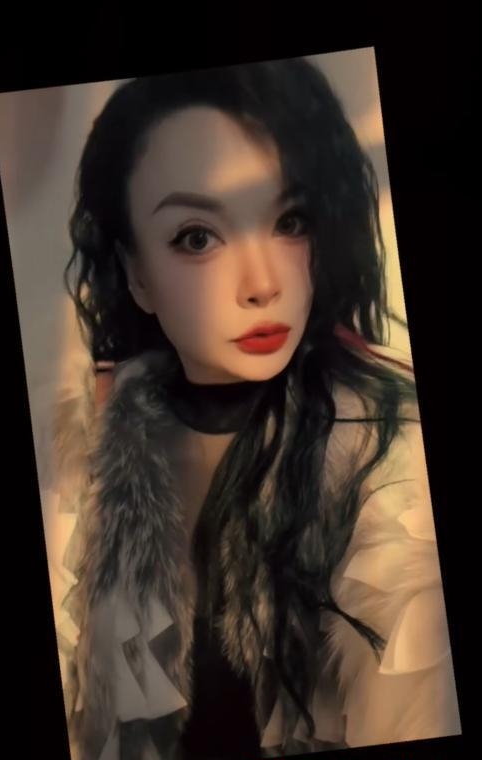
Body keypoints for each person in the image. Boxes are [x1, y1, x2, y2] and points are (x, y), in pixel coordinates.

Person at [51, 57, 460, 759]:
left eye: (290, 220)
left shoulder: (392, 464)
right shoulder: (94, 447)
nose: (262, 284)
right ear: (136, 273)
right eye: (196, 237)